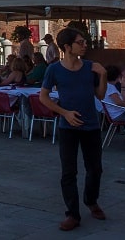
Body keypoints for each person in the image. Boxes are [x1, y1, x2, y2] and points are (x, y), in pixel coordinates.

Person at [38, 28, 108, 232]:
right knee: (69, 172)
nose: (85, 45)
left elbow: (101, 95)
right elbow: (44, 97)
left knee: (95, 168)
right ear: (67, 47)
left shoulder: (89, 67)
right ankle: (72, 214)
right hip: (68, 127)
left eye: (84, 41)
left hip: (91, 125)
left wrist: (102, 75)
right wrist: (64, 112)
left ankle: (91, 200)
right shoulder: (54, 70)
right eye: (80, 42)